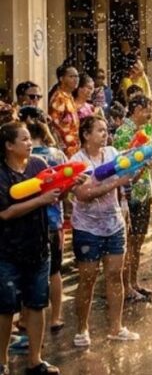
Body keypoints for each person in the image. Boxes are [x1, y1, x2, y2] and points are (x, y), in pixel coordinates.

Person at [0, 122, 68, 375]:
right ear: (9, 145)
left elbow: (55, 195)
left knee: (38, 304)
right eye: (24, 139)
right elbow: (5, 213)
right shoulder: (1, 174)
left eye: (30, 138)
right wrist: (40, 200)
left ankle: (35, 361)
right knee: (6, 308)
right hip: (7, 252)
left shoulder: (39, 165)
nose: (30, 143)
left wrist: (69, 185)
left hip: (39, 247)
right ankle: (2, 362)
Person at [68, 116, 138, 346]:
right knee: (87, 278)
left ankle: (116, 328)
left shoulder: (112, 153)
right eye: (99, 130)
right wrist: (115, 183)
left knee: (115, 276)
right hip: (87, 228)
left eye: (106, 129)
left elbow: (127, 178)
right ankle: (81, 329)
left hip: (114, 225)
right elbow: (83, 195)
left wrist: (138, 168)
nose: (105, 134)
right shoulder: (76, 162)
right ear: (86, 135)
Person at [111, 95, 152, 303]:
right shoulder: (124, 132)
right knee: (129, 241)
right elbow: (122, 165)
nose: (150, 114)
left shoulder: (145, 130)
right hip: (129, 193)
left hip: (143, 191)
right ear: (137, 109)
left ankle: (134, 282)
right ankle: (125, 286)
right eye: (148, 110)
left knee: (138, 240)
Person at [26, 119, 68, 333]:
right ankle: (56, 317)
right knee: (55, 271)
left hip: (28, 222)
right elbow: (66, 188)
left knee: (29, 273)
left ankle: (24, 321)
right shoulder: (57, 155)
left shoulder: (24, 159)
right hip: (53, 221)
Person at [48, 64, 80, 156]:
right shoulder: (59, 97)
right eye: (71, 76)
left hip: (73, 147)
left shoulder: (69, 96)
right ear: (61, 78)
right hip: (64, 149)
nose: (76, 79)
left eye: (77, 76)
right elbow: (54, 125)